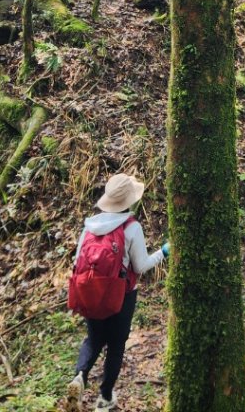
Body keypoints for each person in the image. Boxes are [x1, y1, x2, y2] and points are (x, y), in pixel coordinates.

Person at [67, 173, 167, 410]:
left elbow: (77, 261)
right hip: (122, 296)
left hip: (91, 292)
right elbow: (140, 266)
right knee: (116, 345)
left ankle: (79, 376)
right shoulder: (132, 228)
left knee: (93, 339)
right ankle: (105, 397)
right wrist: (163, 252)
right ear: (129, 201)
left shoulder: (90, 226)